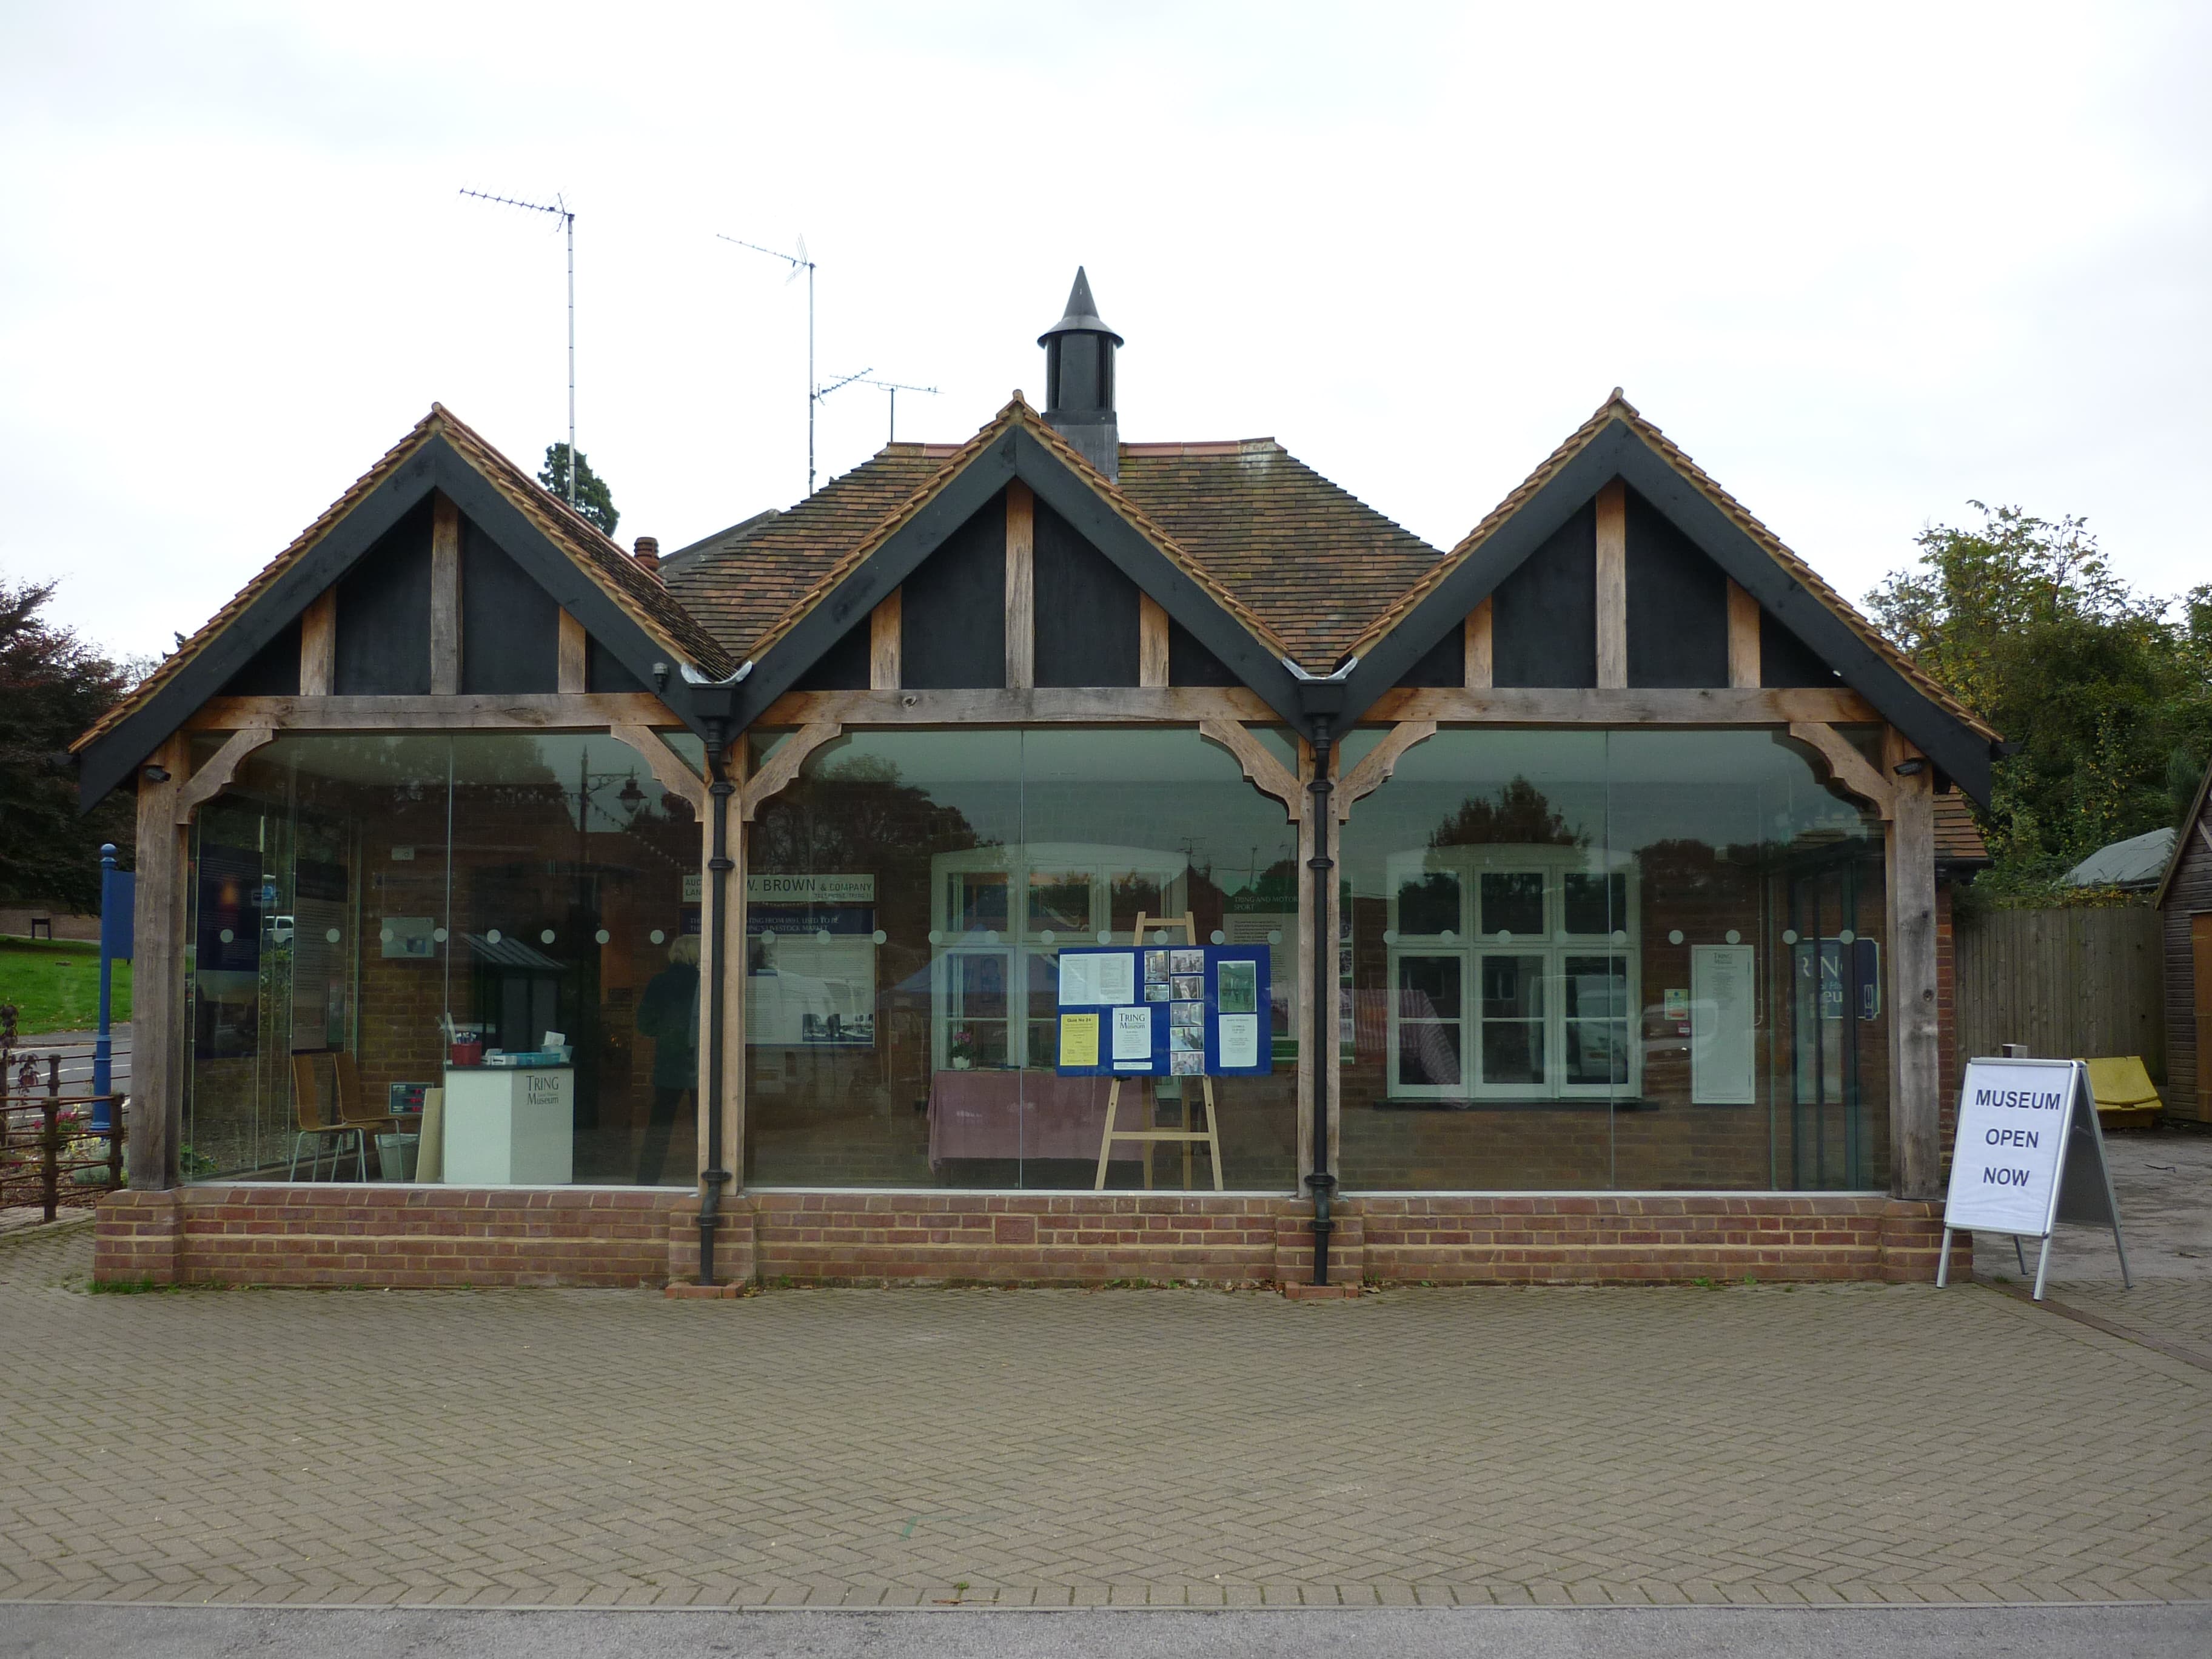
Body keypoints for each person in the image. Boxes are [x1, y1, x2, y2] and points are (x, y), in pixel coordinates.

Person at [633, 933, 700, 1185]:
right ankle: (710, 1179)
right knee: (706, 1128)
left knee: (659, 1128)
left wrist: (666, 1032)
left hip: (669, 1061)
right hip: (700, 1060)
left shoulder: (659, 982)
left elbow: (644, 1024)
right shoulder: (704, 982)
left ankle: (646, 1182)